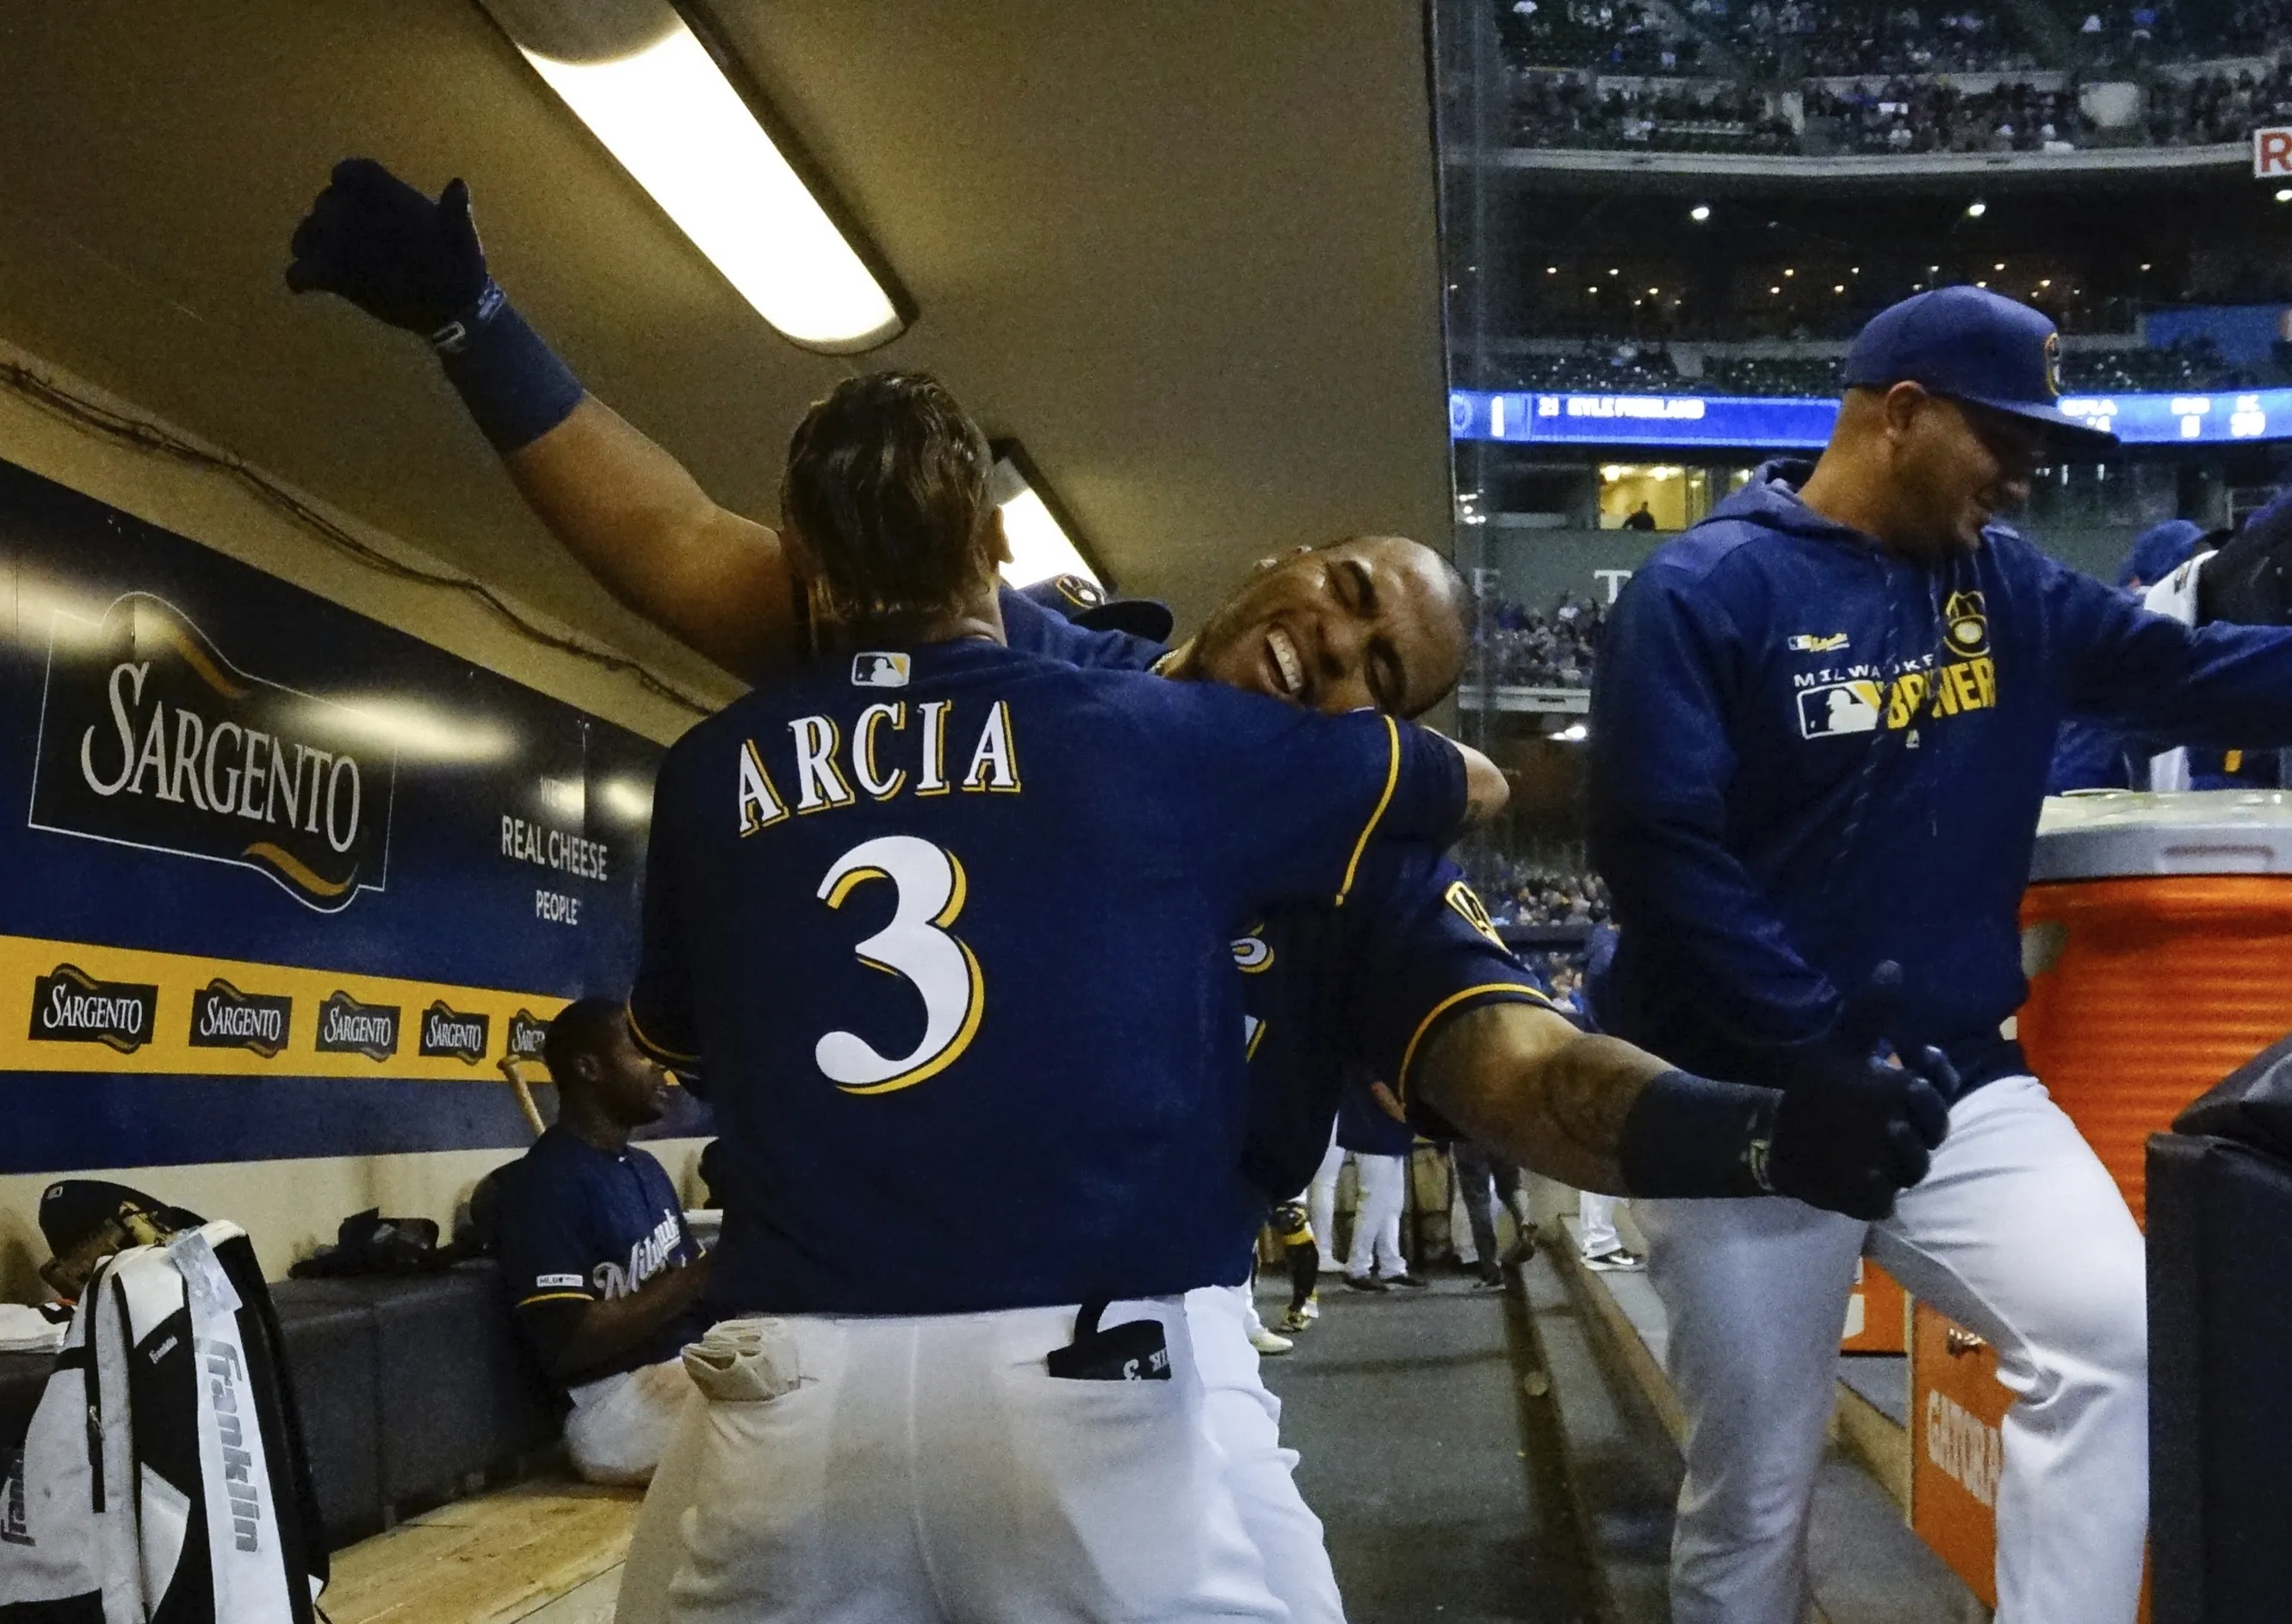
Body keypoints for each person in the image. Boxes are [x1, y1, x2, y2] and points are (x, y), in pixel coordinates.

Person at [285, 158, 1956, 1623]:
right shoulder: (1035, 669)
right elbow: (680, 543)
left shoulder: (1354, 861)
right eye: (1349, 590)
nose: (1335, 644)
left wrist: (1735, 1130)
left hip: (1135, 1343)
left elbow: (1520, 1069)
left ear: (1378, 734)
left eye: (1380, 674)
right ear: (1287, 554)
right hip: (977, 1369)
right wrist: (472, 324)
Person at [626, 366, 1478, 1620]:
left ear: (796, 552)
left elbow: (679, 1045)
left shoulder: (706, 767)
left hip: (794, 1371)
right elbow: (1462, 781)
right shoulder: (1144, 729)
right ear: (995, 542)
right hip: (1084, 1349)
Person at [1589, 284, 2292, 1624]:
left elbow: (2191, 672)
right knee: (1755, 1500)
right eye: (2001, 438)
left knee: (2113, 1337)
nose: (2024, 474)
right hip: (1748, 1098)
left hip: (1956, 1080)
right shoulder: (1703, 587)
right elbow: (1658, 850)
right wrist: (1809, 1044)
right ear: (1899, 413)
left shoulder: (2007, 583)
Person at [492, 997, 711, 1486]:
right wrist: (704, 1272)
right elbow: (569, 1342)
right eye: (640, 1053)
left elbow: (699, 1295)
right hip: (611, 1407)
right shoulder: (542, 1184)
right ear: (589, 1068)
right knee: (770, 1427)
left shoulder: (646, 1168)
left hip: (682, 1371)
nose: (659, 1067)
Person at [1335, 1079, 1421, 1291]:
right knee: (1373, 1206)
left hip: (1382, 1134)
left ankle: (1391, 1266)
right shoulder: (1369, 1061)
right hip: (1375, 1133)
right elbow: (1378, 1087)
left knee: (1389, 1205)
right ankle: (1357, 1268)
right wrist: (1404, 1117)